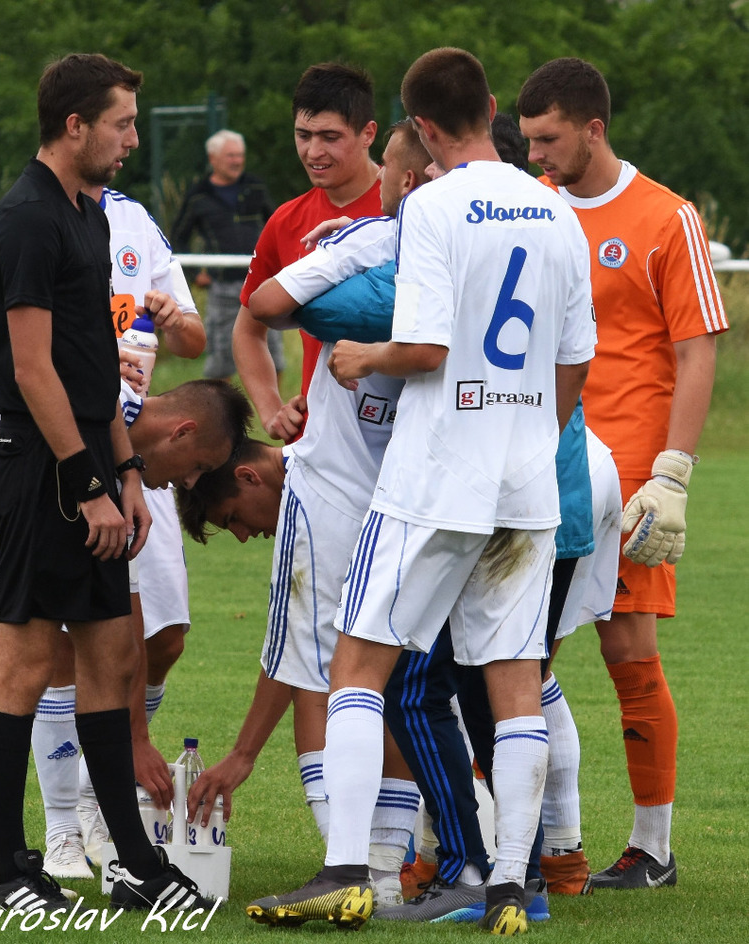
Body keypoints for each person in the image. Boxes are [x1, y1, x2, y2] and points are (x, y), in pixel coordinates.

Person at [245, 47, 596, 933]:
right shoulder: (557, 210)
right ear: (491, 106)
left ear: (423, 128)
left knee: (357, 665)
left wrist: (366, 354)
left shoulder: (433, 205)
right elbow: (574, 359)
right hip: (525, 482)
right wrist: (530, 435)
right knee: (514, 682)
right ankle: (509, 886)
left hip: (436, 477)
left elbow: (428, 349)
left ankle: (346, 872)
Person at [0, 51, 214, 915]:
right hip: (41, 468)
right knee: (26, 661)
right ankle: (9, 870)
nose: (133, 140)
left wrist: (128, 473)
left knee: (114, 657)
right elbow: (34, 371)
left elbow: (93, 370)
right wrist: (85, 483)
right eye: (121, 123)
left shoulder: (90, 215)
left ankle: (135, 867)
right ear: (74, 126)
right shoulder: (26, 220)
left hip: (90, 464)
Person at [517, 57, 729, 890]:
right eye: (528, 140)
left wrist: (672, 474)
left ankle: (652, 848)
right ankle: (528, 843)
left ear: (593, 129)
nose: (536, 155)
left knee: (629, 654)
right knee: (516, 651)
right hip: (544, 461)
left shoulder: (666, 216)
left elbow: (697, 349)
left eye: (548, 140)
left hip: (633, 474)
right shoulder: (531, 208)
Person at [232, 61, 383, 443]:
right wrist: (270, 409)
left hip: (402, 436)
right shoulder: (286, 221)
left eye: (330, 137)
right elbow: (248, 330)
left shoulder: (413, 206)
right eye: (303, 135)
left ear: (368, 133)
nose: (314, 151)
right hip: (320, 442)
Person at [171, 129, 285, 380]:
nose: (237, 161)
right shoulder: (198, 195)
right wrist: (194, 274)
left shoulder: (254, 186)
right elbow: (178, 237)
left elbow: (278, 225)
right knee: (221, 361)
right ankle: (223, 405)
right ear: (213, 158)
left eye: (240, 155)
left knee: (273, 353)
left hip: (262, 283)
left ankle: (275, 404)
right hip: (222, 287)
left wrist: (279, 264)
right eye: (231, 156)